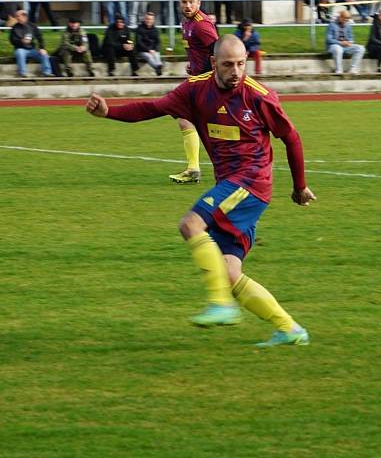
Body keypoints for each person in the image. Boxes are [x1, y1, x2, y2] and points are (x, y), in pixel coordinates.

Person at [85, 35, 316, 346]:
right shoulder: (196, 90)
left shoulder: (259, 96)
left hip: (251, 182)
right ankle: (290, 329)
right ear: (213, 63)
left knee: (190, 224)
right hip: (230, 185)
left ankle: (221, 305)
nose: (236, 71)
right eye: (228, 65)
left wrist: (299, 186)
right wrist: (109, 112)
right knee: (229, 273)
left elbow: (292, 138)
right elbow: (152, 108)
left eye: (241, 64)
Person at [171, 0, 220, 184]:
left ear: (199, 2)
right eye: (184, 2)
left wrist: (216, 78)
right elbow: (197, 50)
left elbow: (219, 50)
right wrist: (192, 65)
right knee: (190, 121)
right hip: (198, 79)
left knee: (189, 120)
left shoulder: (201, 24)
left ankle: (195, 169)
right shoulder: (186, 23)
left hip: (208, 82)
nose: (188, 5)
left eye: (191, 2)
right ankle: (194, 169)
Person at [9, 8, 52, 77]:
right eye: (16, 16)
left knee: (44, 54)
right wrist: (21, 41)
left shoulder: (32, 26)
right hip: (20, 49)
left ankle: (47, 72)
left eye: (18, 16)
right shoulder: (15, 27)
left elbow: (40, 38)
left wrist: (42, 48)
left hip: (32, 49)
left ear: (24, 16)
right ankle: (22, 73)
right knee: (20, 53)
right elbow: (12, 40)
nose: (16, 18)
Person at [326, 9, 364, 74]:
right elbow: (329, 39)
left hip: (346, 46)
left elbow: (351, 38)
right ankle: (339, 70)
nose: (345, 21)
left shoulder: (348, 25)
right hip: (334, 46)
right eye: (344, 19)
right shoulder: (332, 25)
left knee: (361, 48)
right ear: (340, 17)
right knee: (338, 49)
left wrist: (350, 42)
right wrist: (341, 43)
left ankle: (353, 69)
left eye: (347, 20)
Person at [134, 11, 163, 76]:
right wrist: (148, 50)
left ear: (153, 20)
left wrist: (155, 49)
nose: (149, 21)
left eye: (150, 19)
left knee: (157, 56)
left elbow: (158, 42)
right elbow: (139, 42)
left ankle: (158, 67)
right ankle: (158, 67)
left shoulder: (155, 30)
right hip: (142, 50)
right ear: (145, 19)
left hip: (153, 50)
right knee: (149, 57)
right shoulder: (139, 28)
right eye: (147, 19)